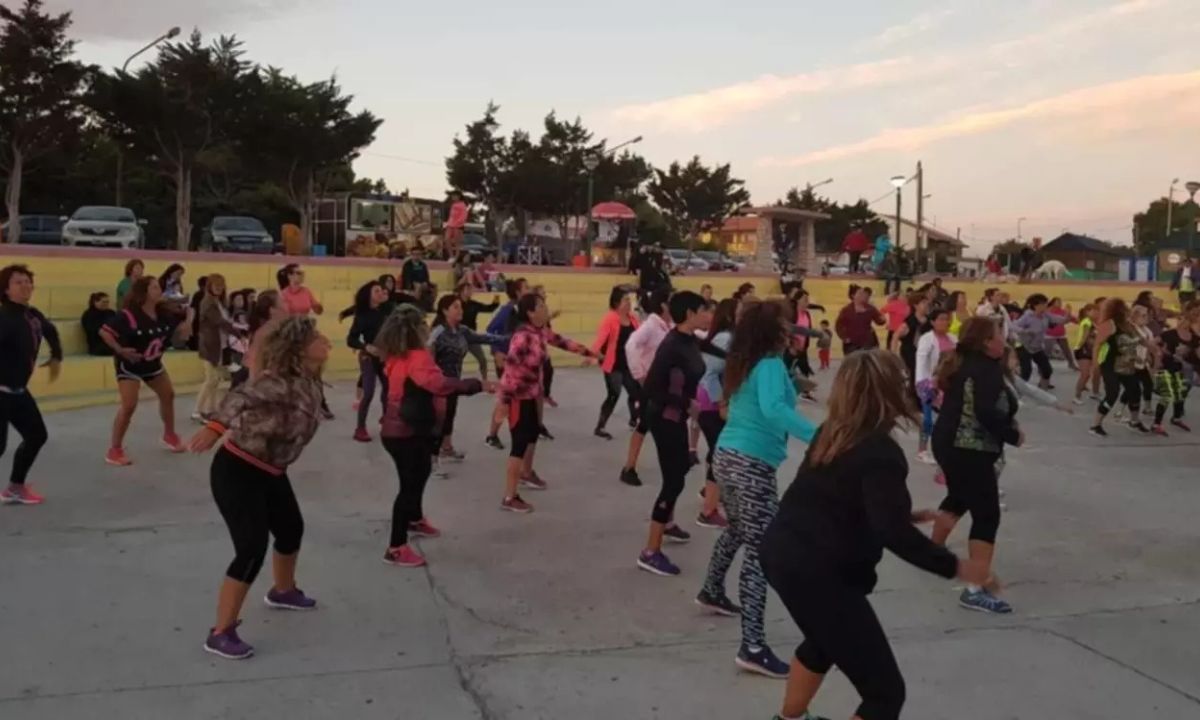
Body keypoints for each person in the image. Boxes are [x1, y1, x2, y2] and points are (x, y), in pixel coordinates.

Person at [761, 350, 990, 720]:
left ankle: (789, 718)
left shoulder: (832, 434)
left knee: (824, 642)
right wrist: (958, 567)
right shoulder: (879, 451)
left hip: (782, 553)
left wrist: (905, 514)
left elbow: (828, 496)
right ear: (887, 392)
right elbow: (892, 534)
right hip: (818, 572)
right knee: (885, 695)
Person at [189, 315, 330, 661]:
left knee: (290, 529)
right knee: (251, 547)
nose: (326, 340)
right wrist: (215, 426)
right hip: (238, 470)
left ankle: (282, 590)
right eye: (316, 337)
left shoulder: (309, 380)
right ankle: (220, 632)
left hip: (271, 471)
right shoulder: (276, 382)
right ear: (299, 349)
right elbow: (241, 397)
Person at [698, 299, 817, 678]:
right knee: (761, 550)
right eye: (786, 327)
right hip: (749, 463)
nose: (792, 332)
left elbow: (747, 405)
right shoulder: (767, 364)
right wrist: (819, 436)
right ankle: (752, 645)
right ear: (773, 332)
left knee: (738, 530)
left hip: (729, 456)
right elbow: (772, 409)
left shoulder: (747, 363)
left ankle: (712, 589)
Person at [377, 304, 488, 567]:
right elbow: (438, 384)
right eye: (424, 323)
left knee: (421, 471)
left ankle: (414, 518)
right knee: (409, 485)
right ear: (417, 328)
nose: (428, 327)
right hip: (406, 431)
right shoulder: (416, 357)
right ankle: (396, 547)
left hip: (401, 429)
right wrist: (477, 384)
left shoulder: (396, 355)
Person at [931, 317, 1022, 614]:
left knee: (958, 497)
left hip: (951, 444)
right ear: (986, 341)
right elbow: (985, 411)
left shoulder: (965, 362)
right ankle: (975, 588)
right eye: (999, 334)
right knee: (987, 515)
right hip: (968, 449)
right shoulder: (984, 369)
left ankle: (933, 552)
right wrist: (1012, 435)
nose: (1003, 339)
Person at [497, 293, 597, 513]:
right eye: (541, 306)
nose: (545, 309)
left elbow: (562, 341)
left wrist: (591, 352)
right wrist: (504, 402)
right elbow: (510, 371)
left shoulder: (539, 332)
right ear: (530, 312)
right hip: (519, 398)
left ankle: (526, 474)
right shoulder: (522, 337)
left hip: (533, 395)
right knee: (519, 445)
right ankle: (509, 496)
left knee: (531, 435)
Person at [636, 291, 711, 576]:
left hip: (676, 417)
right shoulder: (671, 345)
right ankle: (650, 551)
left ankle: (666, 522)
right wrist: (686, 404)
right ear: (690, 314)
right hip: (665, 417)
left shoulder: (689, 340)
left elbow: (712, 350)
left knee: (679, 472)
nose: (708, 315)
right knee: (673, 481)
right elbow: (651, 389)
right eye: (704, 310)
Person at [100, 276, 193, 466]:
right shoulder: (128, 316)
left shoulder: (164, 314)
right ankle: (114, 449)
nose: (159, 291)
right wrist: (120, 350)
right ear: (144, 293)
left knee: (168, 395)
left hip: (153, 364)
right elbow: (105, 332)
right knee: (129, 406)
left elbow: (189, 313)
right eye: (155, 288)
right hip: (130, 366)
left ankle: (169, 435)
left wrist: (188, 325)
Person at [0, 265, 61, 506]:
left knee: (36, 435)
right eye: (18, 282)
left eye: (28, 281)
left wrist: (56, 355)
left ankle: (15, 487)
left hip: (18, 392)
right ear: (5, 289)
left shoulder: (32, 314)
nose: (26, 285)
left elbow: (50, 330)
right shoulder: (4, 318)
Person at [427, 293, 504, 460]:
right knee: (437, 421)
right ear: (445, 311)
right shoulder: (438, 332)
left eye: (461, 306)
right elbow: (426, 353)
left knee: (450, 415)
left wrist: (508, 338)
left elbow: (484, 337)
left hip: (454, 382)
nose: (460, 310)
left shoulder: (462, 330)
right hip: (438, 383)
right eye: (456, 307)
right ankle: (430, 461)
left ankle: (446, 448)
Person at [618, 286, 673, 487]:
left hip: (664, 384)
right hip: (652, 384)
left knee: (651, 423)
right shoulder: (651, 325)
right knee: (645, 424)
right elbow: (630, 345)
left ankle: (631, 466)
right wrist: (640, 375)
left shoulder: (668, 325)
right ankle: (629, 467)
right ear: (663, 305)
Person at [695, 298, 738, 529]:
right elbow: (709, 373)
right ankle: (708, 510)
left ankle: (709, 492)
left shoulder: (731, 338)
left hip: (713, 400)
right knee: (719, 451)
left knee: (717, 450)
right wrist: (721, 402)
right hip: (710, 402)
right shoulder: (725, 339)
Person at [484, 278, 529, 449]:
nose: (528, 290)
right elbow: (490, 329)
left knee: (513, 399)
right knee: (506, 399)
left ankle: (505, 432)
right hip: (505, 359)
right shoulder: (508, 310)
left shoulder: (521, 310)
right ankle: (492, 435)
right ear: (518, 292)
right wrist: (496, 351)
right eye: (526, 287)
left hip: (516, 360)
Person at [1090, 298, 1146, 436]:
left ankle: (1134, 421)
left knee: (1135, 390)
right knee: (1112, 393)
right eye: (1125, 308)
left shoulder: (1128, 325)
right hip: (1111, 364)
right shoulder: (1109, 324)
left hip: (1127, 364)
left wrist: (1152, 350)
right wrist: (1095, 363)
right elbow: (1097, 344)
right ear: (1118, 310)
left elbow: (1141, 339)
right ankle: (1095, 425)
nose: (1127, 310)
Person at [592, 285, 641, 439]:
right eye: (625, 300)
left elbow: (640, 338)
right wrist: (592, 355)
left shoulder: (633, 319)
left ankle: (634, 419)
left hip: (629, 364)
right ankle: (600, 427)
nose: (628, 303)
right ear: (617, 302)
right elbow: (600, 339)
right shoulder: (610, 318)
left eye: (629, 300)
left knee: (636, 392)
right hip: (613, 364)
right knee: (614, 394)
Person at [346, 280, 392, 442]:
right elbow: (351, 339)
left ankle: (387, 420)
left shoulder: (387, 310)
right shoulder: (362, 316)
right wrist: (365, 346)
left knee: (388, 389)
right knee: (369, 391)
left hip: (385, 356)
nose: (381, 293)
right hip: (368, 357)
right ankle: (360, 428)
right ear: (369, 296)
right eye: (376, 291)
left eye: (382, 290)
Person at [914, 308, 956, 465]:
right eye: (941, 319)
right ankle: (922, 450)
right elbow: (921, 362)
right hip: (929, 382)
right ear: (933, 322)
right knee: (927, 419)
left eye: (947, 319)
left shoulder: (953, 338)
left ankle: (945, 448)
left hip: (948, 384)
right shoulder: (927, 339)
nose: (945, 322)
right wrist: (923, 383)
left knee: (948, 418)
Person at [193, 274, 236, 422]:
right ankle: (197, 411)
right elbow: (220, 322)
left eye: (221, 285)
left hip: (219, 344)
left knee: (215, 379)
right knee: (211, 379)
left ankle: (210, 409)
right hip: (209, 345)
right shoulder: (208, 302)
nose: (219, 287)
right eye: (216, 285)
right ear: (209, 286)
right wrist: (238, 333)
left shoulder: (218, 302)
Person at [1152, 305, 1199, 435]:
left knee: (1180, 394)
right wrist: (1160, 352)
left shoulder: (1193, 338)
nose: (1182, 323)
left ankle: (1176, 418)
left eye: (1185, 320)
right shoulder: (1169, 334)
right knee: (1166, 395)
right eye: (1180, 320)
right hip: (1166, 368)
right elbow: (1153, 343)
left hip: (1180, 369)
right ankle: (1156, 424)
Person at [1013, 293, 1067, 389]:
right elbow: (1014, 326)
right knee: (1026, 371)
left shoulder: (1046, 315)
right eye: (1043, 304)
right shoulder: (1027, 316)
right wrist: (1025, 331)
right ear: (1036, 305)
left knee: (1047, 369)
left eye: (1046, 303)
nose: (1046, 306)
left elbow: (1060, 320)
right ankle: (1016, 390)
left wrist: (1068, 316)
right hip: (1024, 346)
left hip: (1037, 347)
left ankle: (1043, 387)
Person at [457, 282, 501, 381]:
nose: (469, 292)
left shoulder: (473, 304)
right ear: (461, 292)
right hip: (459, 336)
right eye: (467, 289)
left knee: (482, 360)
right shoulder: (456, 304)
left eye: (470, 289)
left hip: (471, 336)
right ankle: (455, 380)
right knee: (456, 361)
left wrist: (496, 301)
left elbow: (489, 308)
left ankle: (485, 380)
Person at [834, 285, 885, 354]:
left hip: (868, 342)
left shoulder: (870, 308)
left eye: (863, 293)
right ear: (853, 296)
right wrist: (845, 338)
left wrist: (882, 319)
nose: (863, 295)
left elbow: (879, 321)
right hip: (852, 343)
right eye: (860, 293)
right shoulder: (846, 310)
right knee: (852, 363)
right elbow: (838, 325)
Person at [1072, 303, 1099, 405]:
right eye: (1094, 311)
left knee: (1087, 374)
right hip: (1083, 350)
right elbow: (1085, 337)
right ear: (1087, 312)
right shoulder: (1087, 322)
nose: (1097, 313)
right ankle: (1076, 396)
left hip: (1089, 350)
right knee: (1085, 374)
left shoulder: (1092, 322)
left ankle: (1081, 389)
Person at [1046, 297, 1078, 371]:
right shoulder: (1048, 311)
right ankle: (1042, 367)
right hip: (1049, 335)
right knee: (1046, 351)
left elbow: (1071, 319)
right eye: (1058, 302)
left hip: (1060, 334)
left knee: (1067, 350)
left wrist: (1069, 313)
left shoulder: (1062, 311)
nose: (1060, 304)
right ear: (1053, 303)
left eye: (1060, 302)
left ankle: (1071, 364)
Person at [82, 292, 116, 356]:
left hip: (113, 341)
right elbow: (95, 331)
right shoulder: (89, 315)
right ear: (95, 302)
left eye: (107, 302)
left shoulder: (111, 313)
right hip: (97, 345)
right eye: (103, 302)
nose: (106, 304)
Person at [400, 242, 434, 308]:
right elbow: (406, 277)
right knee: (418, 286)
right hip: (411, 283)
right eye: (414, 254)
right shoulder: (407, 265)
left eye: (418, 254)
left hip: (422, 283)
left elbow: (426, 276)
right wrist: (412, 284)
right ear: (411, 255)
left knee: (434, 286)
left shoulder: (423, 265)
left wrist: (426, 282)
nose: (416, 256)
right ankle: (416, 305)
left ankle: (430, 306)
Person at [445, 192, 468, 259]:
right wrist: (448, 223)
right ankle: (451, 256)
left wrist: (458, 223)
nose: (453, 197)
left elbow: (464, 216)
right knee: (446, 239)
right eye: (452, 196)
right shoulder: (453, 204)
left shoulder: (462, 205)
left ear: (459, 196)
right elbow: (451, 216)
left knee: (457, 242)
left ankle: (457, 257)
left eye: (454, 196)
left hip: (458, 226)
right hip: (450, 224)